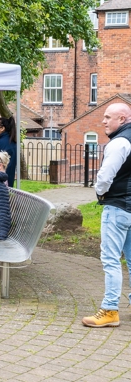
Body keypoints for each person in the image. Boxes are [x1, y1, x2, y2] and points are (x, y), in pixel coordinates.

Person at [82, 103, 131, 328]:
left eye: (108, 117)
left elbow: (104, 177)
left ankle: (110, 309)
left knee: (111, 260)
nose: (103, 121)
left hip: (117, 207)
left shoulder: (119, 143)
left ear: (122, 119)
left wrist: (100, 192)